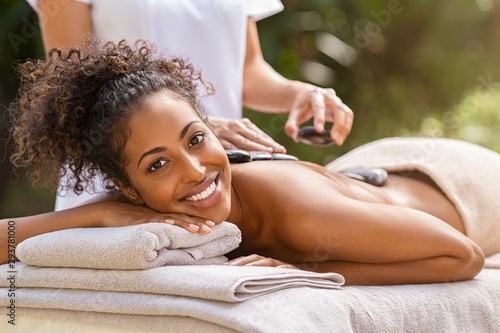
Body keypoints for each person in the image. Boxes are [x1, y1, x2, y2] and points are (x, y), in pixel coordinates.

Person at [2, 41, 494, 286]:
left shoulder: (302, 214)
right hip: (361, 176)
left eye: (196, 138)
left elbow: (463, 256)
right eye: (157, 165)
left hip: (460, 187)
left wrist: (302, 270)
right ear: (126, 188)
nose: (194, 171)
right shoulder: (135, 206)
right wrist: (97, 214)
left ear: (212, 128)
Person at [26, 0, 354, 210]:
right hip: (128, 181)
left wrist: (300, 93)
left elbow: (247, 70)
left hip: (217, 174)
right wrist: (198, 124)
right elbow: (72, 89)